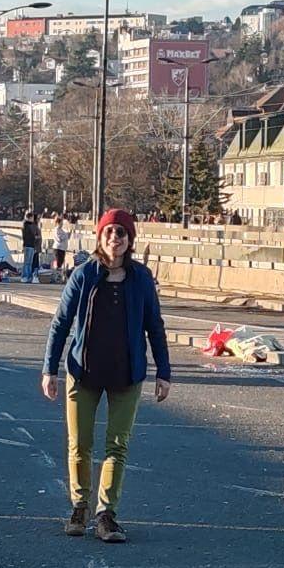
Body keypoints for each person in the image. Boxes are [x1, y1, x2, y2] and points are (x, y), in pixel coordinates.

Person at [40, 208, 172, 545]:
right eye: (109, 232)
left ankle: (106, 515)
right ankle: (79, 507)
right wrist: (49, 369)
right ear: (100, 237)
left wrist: (163, 372)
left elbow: (154, 326)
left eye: (122, 233)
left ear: (130, 240)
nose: (115, 238)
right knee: (79, 445)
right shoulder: (83, 275)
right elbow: (61, 324)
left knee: (118, 446)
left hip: (126, 375)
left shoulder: (141, 279)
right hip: (83, 373)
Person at [20, 211, 41, 281]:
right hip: (28, 245)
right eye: (32, 217)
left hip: (31, 245)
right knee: (27, 262)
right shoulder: (26, 225)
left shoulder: (31, 225)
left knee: (29, 262)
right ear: (29, 218)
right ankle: (25, 276)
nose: (33, 219)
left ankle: (28, 276)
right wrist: (35, 237)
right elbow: (30, 235)